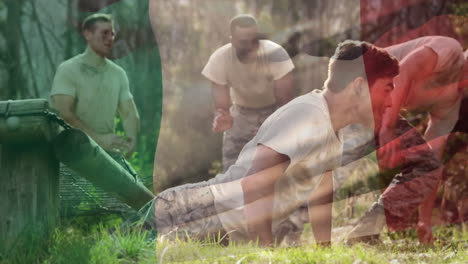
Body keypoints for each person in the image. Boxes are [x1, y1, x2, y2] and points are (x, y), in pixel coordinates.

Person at [154, 40, 400, 246]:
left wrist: (325, 251)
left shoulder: (331, 128)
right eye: (387, 88)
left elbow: (321, 196)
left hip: (218, 226)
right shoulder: (307, 116)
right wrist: (266, 251)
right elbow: (253, 185)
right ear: (359, 86)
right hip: (193, 214)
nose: (390, 102)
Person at [347, 36, 468, 244]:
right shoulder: (449, 50)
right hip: (354, 87)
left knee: (429, 166)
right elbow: (403, 71)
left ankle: (365, 231)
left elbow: (432, 161)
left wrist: (425, 221)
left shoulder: (450, 105)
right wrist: (387, 127)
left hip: (377, 110)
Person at [202, 14, 295, 171]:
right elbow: (221, 106)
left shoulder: (276, 54)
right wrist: (222, 116)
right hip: (240, 116)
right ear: (232, 40)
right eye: (243, 42)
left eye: (254, 40)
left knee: (277, 172)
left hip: (273, 113)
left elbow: (285, 103)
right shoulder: (220, 59)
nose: (250, 47)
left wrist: (271, 127)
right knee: (231, 173)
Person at [50, 13, 140, 176]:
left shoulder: (118, 74)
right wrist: (99, 140)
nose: (110, 38)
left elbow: (129, 114)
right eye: (104, 33)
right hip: (69, 159)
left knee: (129, 193)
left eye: (112, 33)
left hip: (105, 158)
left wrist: (131, 141)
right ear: (87, 34)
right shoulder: (68, 69)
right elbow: (62, 113)